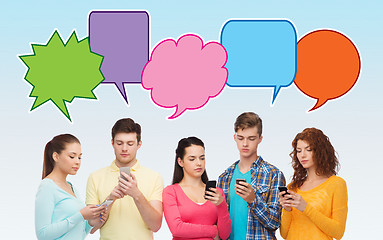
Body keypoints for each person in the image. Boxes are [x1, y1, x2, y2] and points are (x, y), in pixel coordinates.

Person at [86, 118, 164, 240]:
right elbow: (92, 224)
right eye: (119, 143)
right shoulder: (95, 177)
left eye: (130, 143)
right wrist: (110, 199)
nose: (124, 149)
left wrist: (136, 194)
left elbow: (155, 225)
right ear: (112, 143)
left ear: (139, 144)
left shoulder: (154, 177)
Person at [218, 112, 286, 240]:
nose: (245, 144)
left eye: (251, 138)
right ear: (234, 138)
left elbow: (274, 222)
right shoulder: (224, 177)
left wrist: (253, 200)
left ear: (260, 139)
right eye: (241, 138)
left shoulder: (273, 175)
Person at [278, 128, 348, 240]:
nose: (302, 155)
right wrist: (287, 209)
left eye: (308, 149)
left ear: (320, 151)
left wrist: (305, 208)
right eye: (299, 151)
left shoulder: (337, 184)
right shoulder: (293, 187)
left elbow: (338, 232)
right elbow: (285, 234)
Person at [35, 134, 106, 240]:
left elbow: (78, 233)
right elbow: (42, 234)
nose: (77, 161)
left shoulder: (72, 188)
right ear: (56, 157)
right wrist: (80, 215)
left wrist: (91, 223)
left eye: (80, 157)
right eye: (72, 156)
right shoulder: (47, 187)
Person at [163, 137, 232, 240]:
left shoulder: (217, 193)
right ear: (180, 162)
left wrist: (221, 205)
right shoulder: (171, 191)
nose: (199, 163)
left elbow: (224, 235)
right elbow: (177, 229)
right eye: (192, 159)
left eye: (202, 158)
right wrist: (213, 231)